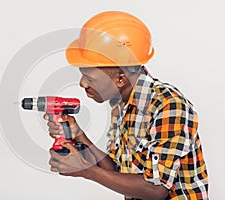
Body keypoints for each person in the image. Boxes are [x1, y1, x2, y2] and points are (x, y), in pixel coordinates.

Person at [45, 11, 209, 200]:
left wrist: (87, 171)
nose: (82, 83)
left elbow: (156, 189)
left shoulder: (169, 107)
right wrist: (79, 136)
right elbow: (118, 171)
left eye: (89, 77)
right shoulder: (121, 103)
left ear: (121, 78)